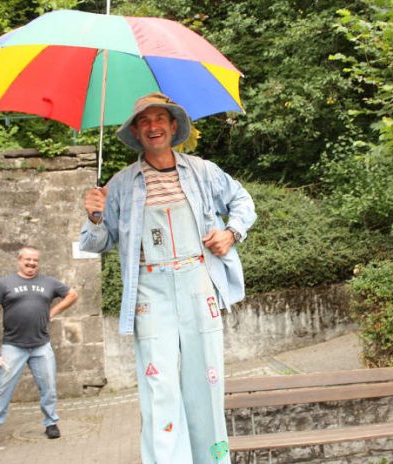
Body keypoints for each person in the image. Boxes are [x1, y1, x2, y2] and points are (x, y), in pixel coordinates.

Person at [80, 92, 256, 464]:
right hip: (150, 292)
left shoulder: (203, 171)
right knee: (159, 386)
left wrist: (231, 233)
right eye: (144, 121)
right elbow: (95, 243)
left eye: (159, 119)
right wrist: (95, 216)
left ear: (173, 126)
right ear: (136, 131)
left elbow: (243, 202)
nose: (153, 126)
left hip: (198, 283)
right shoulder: (122, 184)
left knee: (206, 382)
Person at [0, 245, 78, 450]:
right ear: (19, 260)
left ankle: (51, 423)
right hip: (12, 347)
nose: (32, 263)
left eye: (35, 260)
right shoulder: (5, 284)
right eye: (28, 260)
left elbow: (72, 295)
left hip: (41, 346)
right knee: (2, 388)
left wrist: (53, 312)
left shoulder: (48, 282)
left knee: (49, 386)